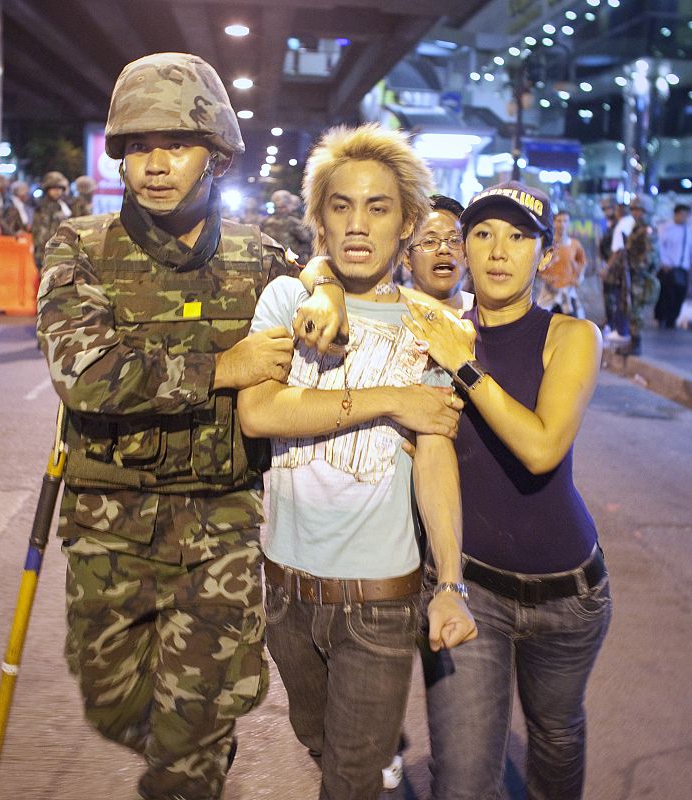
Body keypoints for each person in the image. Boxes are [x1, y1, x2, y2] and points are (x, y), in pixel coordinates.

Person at [36, 52, 338, 800]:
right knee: (113, 704)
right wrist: (221, 368)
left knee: (189, 740)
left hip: (221, 523)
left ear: (217, 155)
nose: (155, 164)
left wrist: (326, 288)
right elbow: (85, 373)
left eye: (174, 144)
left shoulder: (258, 253)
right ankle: (193, 741)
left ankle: (195, 754)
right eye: (138, 147)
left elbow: (323, 278)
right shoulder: (80, 246)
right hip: (110, 527)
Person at [237, 124, 475, 800]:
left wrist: (451, 582)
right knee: (316, 739)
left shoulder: (432, 326)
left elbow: (434, 454)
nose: (357, 223)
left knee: (347, 778)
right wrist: (392, 397)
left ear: (407, 223)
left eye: (377, 207)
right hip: (283, 591)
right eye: (340, 205)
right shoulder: (289, 299)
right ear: (319, 218)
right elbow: (259, 413)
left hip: (378, 601)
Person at [401, 181, 611, 800]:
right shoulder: (436, 327)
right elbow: (338, 274)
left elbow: (542, 447)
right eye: (484, 234)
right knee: (463, 779)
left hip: (570, 598)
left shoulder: (572, 337)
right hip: (472, 589)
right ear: (463, 247)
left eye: (520, 236)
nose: (499, 250)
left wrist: (464, 367)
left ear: (544, 256)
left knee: (556, 738)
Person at [403, 194, 473, 315]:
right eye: (430, 241)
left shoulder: (486, 315)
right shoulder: (388, 319)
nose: (444, 249)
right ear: (407, 258)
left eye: (455, 240)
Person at [606, 195, 659, 354]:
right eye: (634, 210)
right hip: (632, 273)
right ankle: (633, 341)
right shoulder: (637, 228)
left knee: (635, 309)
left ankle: (636, 344)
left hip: (638, 276)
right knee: (629, 307)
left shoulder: (647, 230)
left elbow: (650, 256)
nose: (636, 214)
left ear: (647, 212)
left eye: (640, 211)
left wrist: (637, 267)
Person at [655, 203, 692, 328]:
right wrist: (664, 262)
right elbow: (659, 247)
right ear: (676, 214)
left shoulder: (688, 232)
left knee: (679, 295)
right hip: (669, 268)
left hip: (682, 269)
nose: (684, 217)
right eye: (682, 214)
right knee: (666, 295)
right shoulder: (666, 228)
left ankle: (671, 320)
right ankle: (661, 318)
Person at [537, 210, 587, 318]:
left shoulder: (574, 244)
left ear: (569, 223)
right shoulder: (546, 245)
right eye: (559, 221)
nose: (562, 224)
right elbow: (536, 266)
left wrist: (579, 277)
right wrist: (543, 277)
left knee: (573, 325)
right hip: (548, 294)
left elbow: (582, 262)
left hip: (567, 293)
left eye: (565, 221)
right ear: (554, 222)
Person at [32, 171, 71, 269]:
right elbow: (41, 236)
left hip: (63, 253)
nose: (57, 191)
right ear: (47, 189)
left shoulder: (63, 205)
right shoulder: (43, 207)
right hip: (48, 254)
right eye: (53, 188)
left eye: (59, 188)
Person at [260, 189, 312, 261]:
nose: (281, 210)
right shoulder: (293, 222)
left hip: (286, 262)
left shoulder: (266, 222)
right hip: (281, 262)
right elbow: (307, 238)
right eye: (279, 207)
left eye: (282, 207)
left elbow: (307, 240)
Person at [596, 198, 619, 333]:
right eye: (604, 209)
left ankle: (614, 323)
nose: (606, 211)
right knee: (607, 294)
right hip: (607, 264)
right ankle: (609, 320)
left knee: (613, 296)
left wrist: (607, 267)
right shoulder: (608, 224)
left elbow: (617, 250)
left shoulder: (617, 224)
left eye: (608, 208)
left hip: (614, 267)